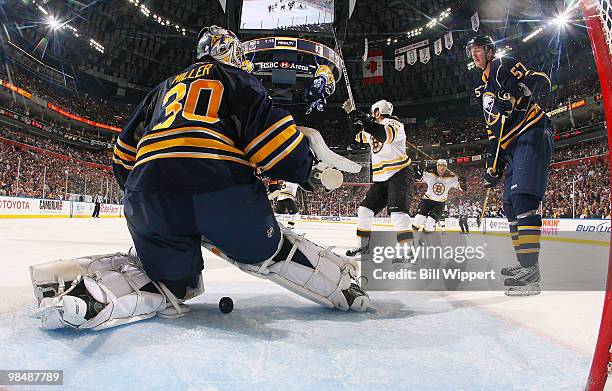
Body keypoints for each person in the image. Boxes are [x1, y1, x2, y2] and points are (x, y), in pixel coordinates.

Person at [30, 25, 369, 331]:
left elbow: (122, 155)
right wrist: (305, 169)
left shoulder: (160, 90)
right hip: (220, 190)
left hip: (149, 195)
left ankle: (90, 298)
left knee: (174, 285)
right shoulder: (238, 80)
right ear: (234, 55)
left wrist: (149, 197)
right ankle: (343, 286)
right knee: (269, 251)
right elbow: (274, 146)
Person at [466, 35, 553, 296]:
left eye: (478, 49)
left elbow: (541, 82)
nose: (474, 54)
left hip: (531, 132)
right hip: (511, 147)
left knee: (523, 199)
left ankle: (532, 274)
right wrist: (494, 166)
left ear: (490, 51)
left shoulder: (505, 66)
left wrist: (517, 95)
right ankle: (524, 264)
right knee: (510, 205)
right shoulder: (481, 90)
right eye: (472, 51)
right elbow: (494, 133)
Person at [342, 99, 415, 259]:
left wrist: (361, 118)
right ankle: (363, 247)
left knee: (398, 214)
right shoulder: (373, 128)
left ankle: (408, 252)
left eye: (372, 113)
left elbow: (384, 135)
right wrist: (351, 116)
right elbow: (357, 134)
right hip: (382, 178)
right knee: (364, 210)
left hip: (399, 172)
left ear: (377, 112)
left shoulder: (394, 124)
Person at [412, 159, 467, 232]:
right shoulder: (430, 174)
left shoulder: (451, 178)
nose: (442, 168)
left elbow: (464, 189)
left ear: (446, 167)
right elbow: (417, 178)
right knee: (417, 221)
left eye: (444, 166)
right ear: (437, 166)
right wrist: (419, 169)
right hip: (427, 201)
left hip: (439, 204)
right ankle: (413, 239)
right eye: (440, 165)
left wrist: (463, 182)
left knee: (429, 225)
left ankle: (424, 238)